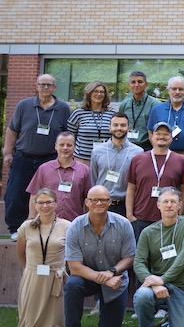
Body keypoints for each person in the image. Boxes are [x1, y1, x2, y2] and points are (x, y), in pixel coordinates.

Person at [61, 185, 136, 327]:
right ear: (87, 202)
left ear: (110, 202)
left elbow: (130, 257)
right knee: (72, 285)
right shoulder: (75, 227)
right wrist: (101, 278)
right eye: (94, 199)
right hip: (86, 277)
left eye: (103, 199)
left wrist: (111, 272)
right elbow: (74, 267)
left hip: (115, 279)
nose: (99, 203)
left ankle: (106, 313)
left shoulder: (123, 224)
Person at [132, 187, 184, 327]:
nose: (169, 205)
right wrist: (153, 283)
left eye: (173, 202)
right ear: (158, 205)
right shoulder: (148, 232)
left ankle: (169, 322)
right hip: (158, 283)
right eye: (165, 201)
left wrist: (163, 279)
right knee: (142, 296)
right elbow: (139, 262)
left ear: (180, 205)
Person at [5, 74, 70, 233]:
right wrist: (7, 152)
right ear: (36, 86)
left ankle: (48, 226)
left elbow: (68, 134)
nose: (45, 88)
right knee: (16, 194)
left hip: (50, 159)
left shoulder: (63, 108)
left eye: (49, 85)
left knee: (50, 195)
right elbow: (12, 130)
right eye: (42, 84)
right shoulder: (24, 105)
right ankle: (16, 229)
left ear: (54, 87)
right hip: (24, 157)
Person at [14, 189, 68, 327]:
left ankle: (54, 325)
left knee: (55, 312)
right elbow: (20, 251)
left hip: (55, 274)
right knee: (31, 317)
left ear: (56, 203)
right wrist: (28, 268)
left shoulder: (66, 226)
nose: (45, 206)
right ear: (35, 205)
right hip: (33, 274)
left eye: (49, 202)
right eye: (41, 202)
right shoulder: (26, 226)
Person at [126, 122, 184, 238]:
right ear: (151, 137)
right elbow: (131, 188)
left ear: (171, 138)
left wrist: (180, 213)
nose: (162, 137)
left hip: (170, 218)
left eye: (166, 134)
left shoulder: (181, 160)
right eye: (158, 134)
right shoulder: (137, 159)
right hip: (141, 218)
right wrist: (130, 215)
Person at [26, 132, 90, 221]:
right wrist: (32, 218)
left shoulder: (84, 170)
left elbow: (88, 199)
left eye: (69, 145)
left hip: (74, 222)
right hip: (47, 221)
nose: (65, 148)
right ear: (56, 146)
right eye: (61, 145)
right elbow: (34, 194)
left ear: (75, 147)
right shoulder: (44, 169)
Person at [89, 113, 143, 218]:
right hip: (101, 204)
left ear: (128, 128)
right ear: (110, 128)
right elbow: (93, 179)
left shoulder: (138, 152)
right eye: (115, 125)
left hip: (126, 206)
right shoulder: (97, 151)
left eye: (123, 125)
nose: (119, 128)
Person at [147, 76, 184, 158]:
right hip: (164, 155)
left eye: (181, 89)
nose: (177, 92)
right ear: (168, 90)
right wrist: (158, 149)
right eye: (174, 89)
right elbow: (150, 132)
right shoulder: (157, 110)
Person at [66, 80, 113, 164]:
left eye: (102, 92)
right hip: (82, 160)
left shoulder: (112, 114)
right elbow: (70, 137)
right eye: (95, 91)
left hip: (106, 160)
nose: (99, 94)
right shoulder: (78, 113)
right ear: (89, 94)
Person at [118, 70, 161, 151]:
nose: (136, 85)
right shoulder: (124, 105)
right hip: (127, 148)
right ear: (129, 85)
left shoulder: (155, 105)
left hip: (147, 147)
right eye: (133, 82)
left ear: (146, 84)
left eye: (140, 82)